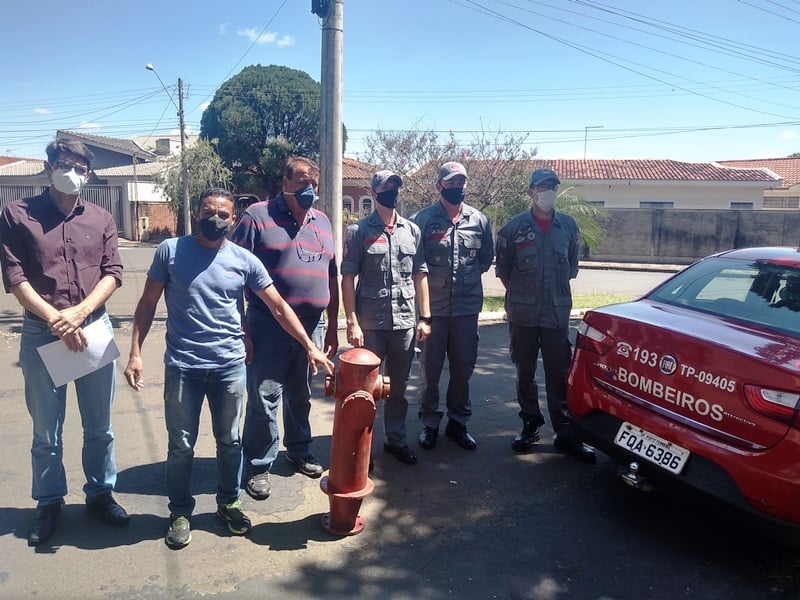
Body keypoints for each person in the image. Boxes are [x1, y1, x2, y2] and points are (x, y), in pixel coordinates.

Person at [124, 188, 333, 549]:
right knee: (181, 446)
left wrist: (310, 346)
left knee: (231, 442)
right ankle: (180, 511)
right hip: (183, 366)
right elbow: (146, 303)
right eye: (209, 211)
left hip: (229, 367)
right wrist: (135, 353)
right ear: (196, 213)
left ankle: (228, 502)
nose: (216, 218)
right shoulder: (171, 251)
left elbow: (279, 307)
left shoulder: (244, 260)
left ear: (233, 219)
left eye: (223, 213)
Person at [0, 139, 129, 546]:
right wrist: (57, 318)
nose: (71, 171)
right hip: (43, 331)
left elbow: (113, 272)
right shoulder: (17, 214)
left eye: (79, 167)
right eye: (64, 163)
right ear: (49, 165)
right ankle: (49, 501)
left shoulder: (102, 217)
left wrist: (78, 314)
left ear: (89, 174)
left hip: (91, 328)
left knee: (100, 426)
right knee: (46, 429)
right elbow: (15, 277)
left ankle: (100, 493)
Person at [229, 156, 338, 501]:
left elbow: (331, 275)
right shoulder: (256, 217)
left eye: (315, 184)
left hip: (313, 325)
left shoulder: (322, 221)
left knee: (300, 391)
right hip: (268, 324)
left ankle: (299, 448)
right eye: (303, 181)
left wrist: (333, 325)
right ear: (286, 183)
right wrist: (243, 328)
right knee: (265, 396)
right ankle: (259, 465)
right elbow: (232, 275)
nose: (310, 189)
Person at [495, 168, 595, 463]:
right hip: (523, 316)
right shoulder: (512, 229)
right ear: (531, 192)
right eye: (542, 186)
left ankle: (565, 432)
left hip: (556, 314)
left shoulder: (569, 227)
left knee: (559, 373)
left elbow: (571, 269)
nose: (548, 191)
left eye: (552, 186)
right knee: (525, 373)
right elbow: (504, 272)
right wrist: (524, 296)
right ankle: (530, 424)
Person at [341, 170, 431, 466]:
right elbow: (348, 277)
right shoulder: (358, 231)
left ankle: (396, 440)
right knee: (365, 390)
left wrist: (425, 317)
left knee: (399, 387)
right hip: (371, 324)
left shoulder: (412, 231)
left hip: (405, 322)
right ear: (374, 191)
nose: (392, 191)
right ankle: (361, 446)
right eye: (386, 187)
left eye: (395, 186)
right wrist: (351, 320)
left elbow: (420, 274)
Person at [410, 161, 494, 451]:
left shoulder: (479, 220)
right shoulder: (421, 220)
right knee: (429, 371)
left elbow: (485, 259)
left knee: (463, 370)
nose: (456, 187)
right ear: (439, 186)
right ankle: (429, 424)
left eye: (461, 182)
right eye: (450, 183)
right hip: (433, 311)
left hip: (466, 310)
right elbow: (414, 265)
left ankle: (458, 422)